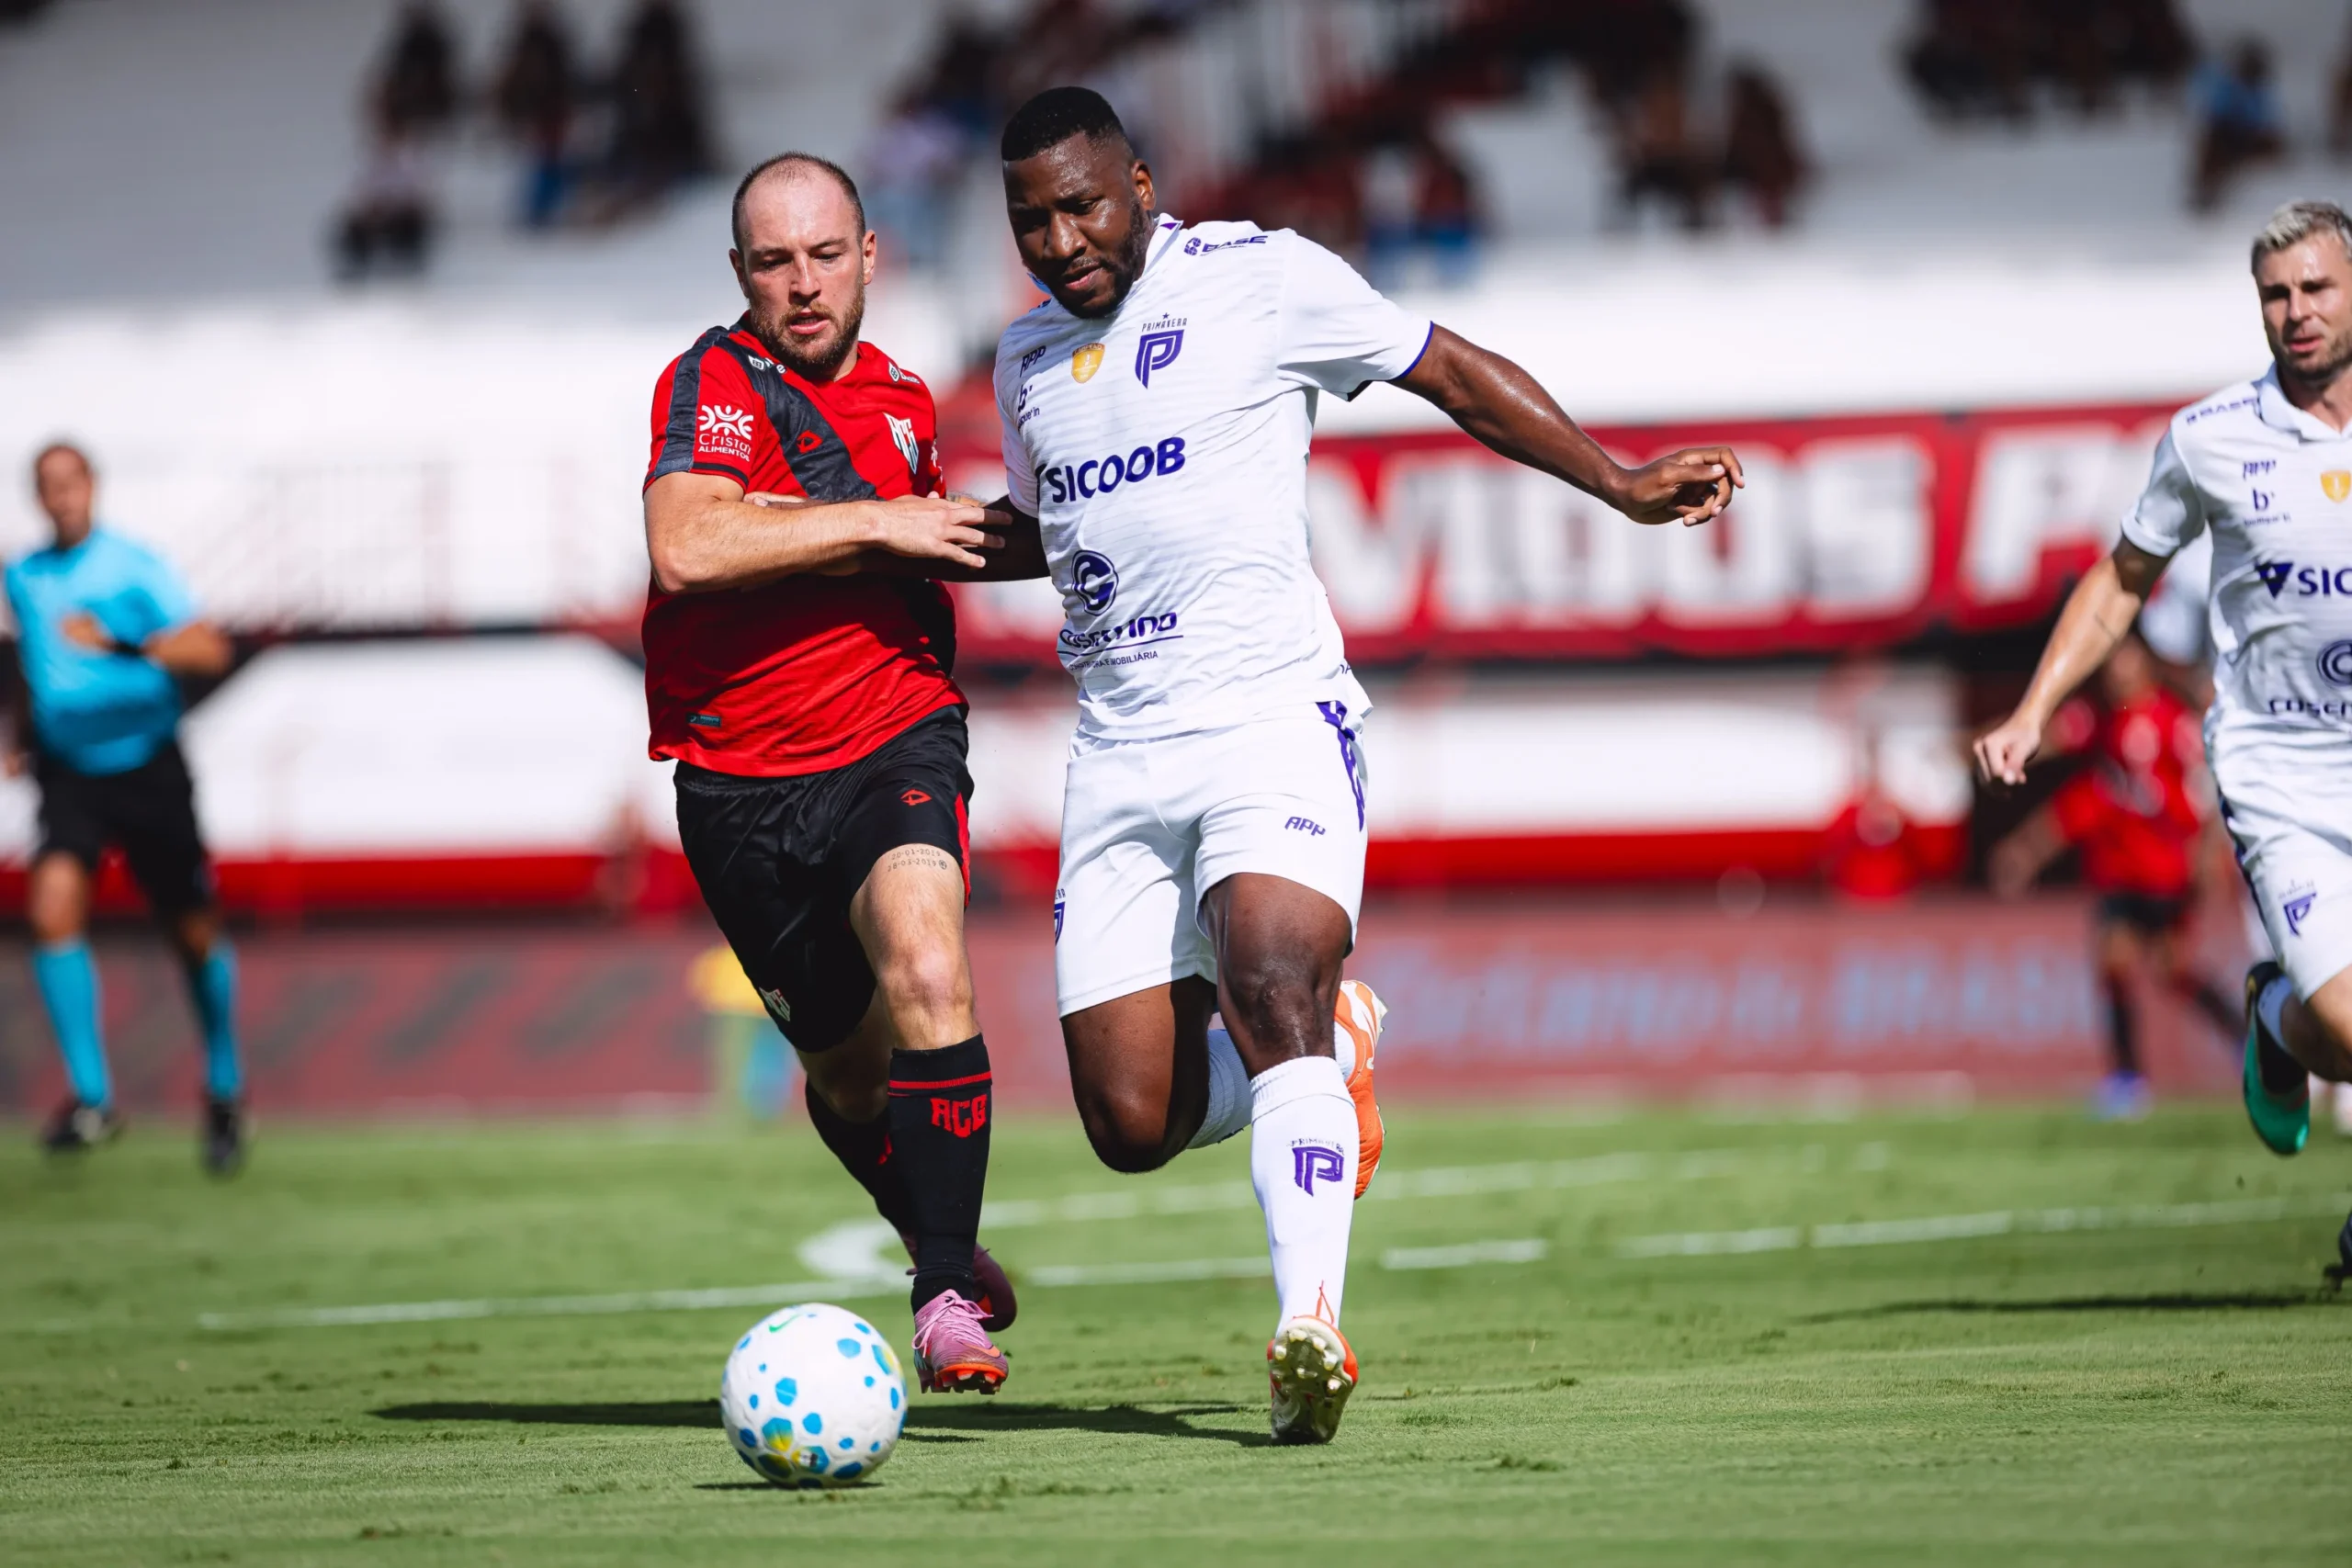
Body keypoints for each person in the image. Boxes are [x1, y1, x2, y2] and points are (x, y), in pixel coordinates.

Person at [972, 87, 1740, 1442]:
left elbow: (1446, 368)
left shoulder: (1262, 280)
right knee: (1129, 1116)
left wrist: (1616, 482)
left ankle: (1307, 1328)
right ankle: (1347, 1044)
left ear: (1144, 185)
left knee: (1271, 988)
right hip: (1121, 751)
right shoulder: (1022, 360)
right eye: (1033, 217)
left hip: (1271, 715)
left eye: (1083, 203)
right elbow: (1048, 528)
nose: (1062, 237)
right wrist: (884, 536)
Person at [639, 153, 1021, 1394]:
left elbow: (935, 538)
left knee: (927, 957)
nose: (801, 286)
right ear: (741, 273)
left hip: (894, 734)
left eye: (822, 255)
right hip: (738, 784)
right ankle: (935, 1220)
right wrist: (883, 520)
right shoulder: (711, 379)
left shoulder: (907, 395)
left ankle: (945, 1288)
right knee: (849, 1076)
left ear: (869, 254)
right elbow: (688, 542)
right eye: (772, 261)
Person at [1973, 202, 2352, 1271]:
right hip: (2283, 773)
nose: (2297, 314)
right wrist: (2034, 710)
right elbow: (2118, 583)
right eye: (2276, 296)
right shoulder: (2210, 438)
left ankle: (2287, 1042)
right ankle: (2280, 1021)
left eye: (2316, 289)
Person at [4, 445, 243, 1171]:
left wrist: (123, 643)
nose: (62, 498)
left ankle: (226, 1084)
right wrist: (18, 734)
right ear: (38, 497)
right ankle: (93, 1097)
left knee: (191, 932)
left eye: (71, 484)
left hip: (148, 764)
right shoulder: (25, 575)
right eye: (49, 488)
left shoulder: (136, 566)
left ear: (93, 487)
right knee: (51, 908)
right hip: (70, 772)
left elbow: (209, 650)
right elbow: (29, 665)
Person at [1987, 631, 2243, 1119]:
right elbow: (2059, 752)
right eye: (2111, 667)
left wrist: (2208, 856)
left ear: (2144, 667)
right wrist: (1988, 743)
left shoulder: (2173, 723)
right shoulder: (2102, 723)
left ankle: (2244, 1037)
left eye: (2125, 664)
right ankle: (2127, 1076)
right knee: (2114, 961)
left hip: (2167, 871)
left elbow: (2205, 793)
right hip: (2120, 871)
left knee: (2174, 969)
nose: (2117, 674)